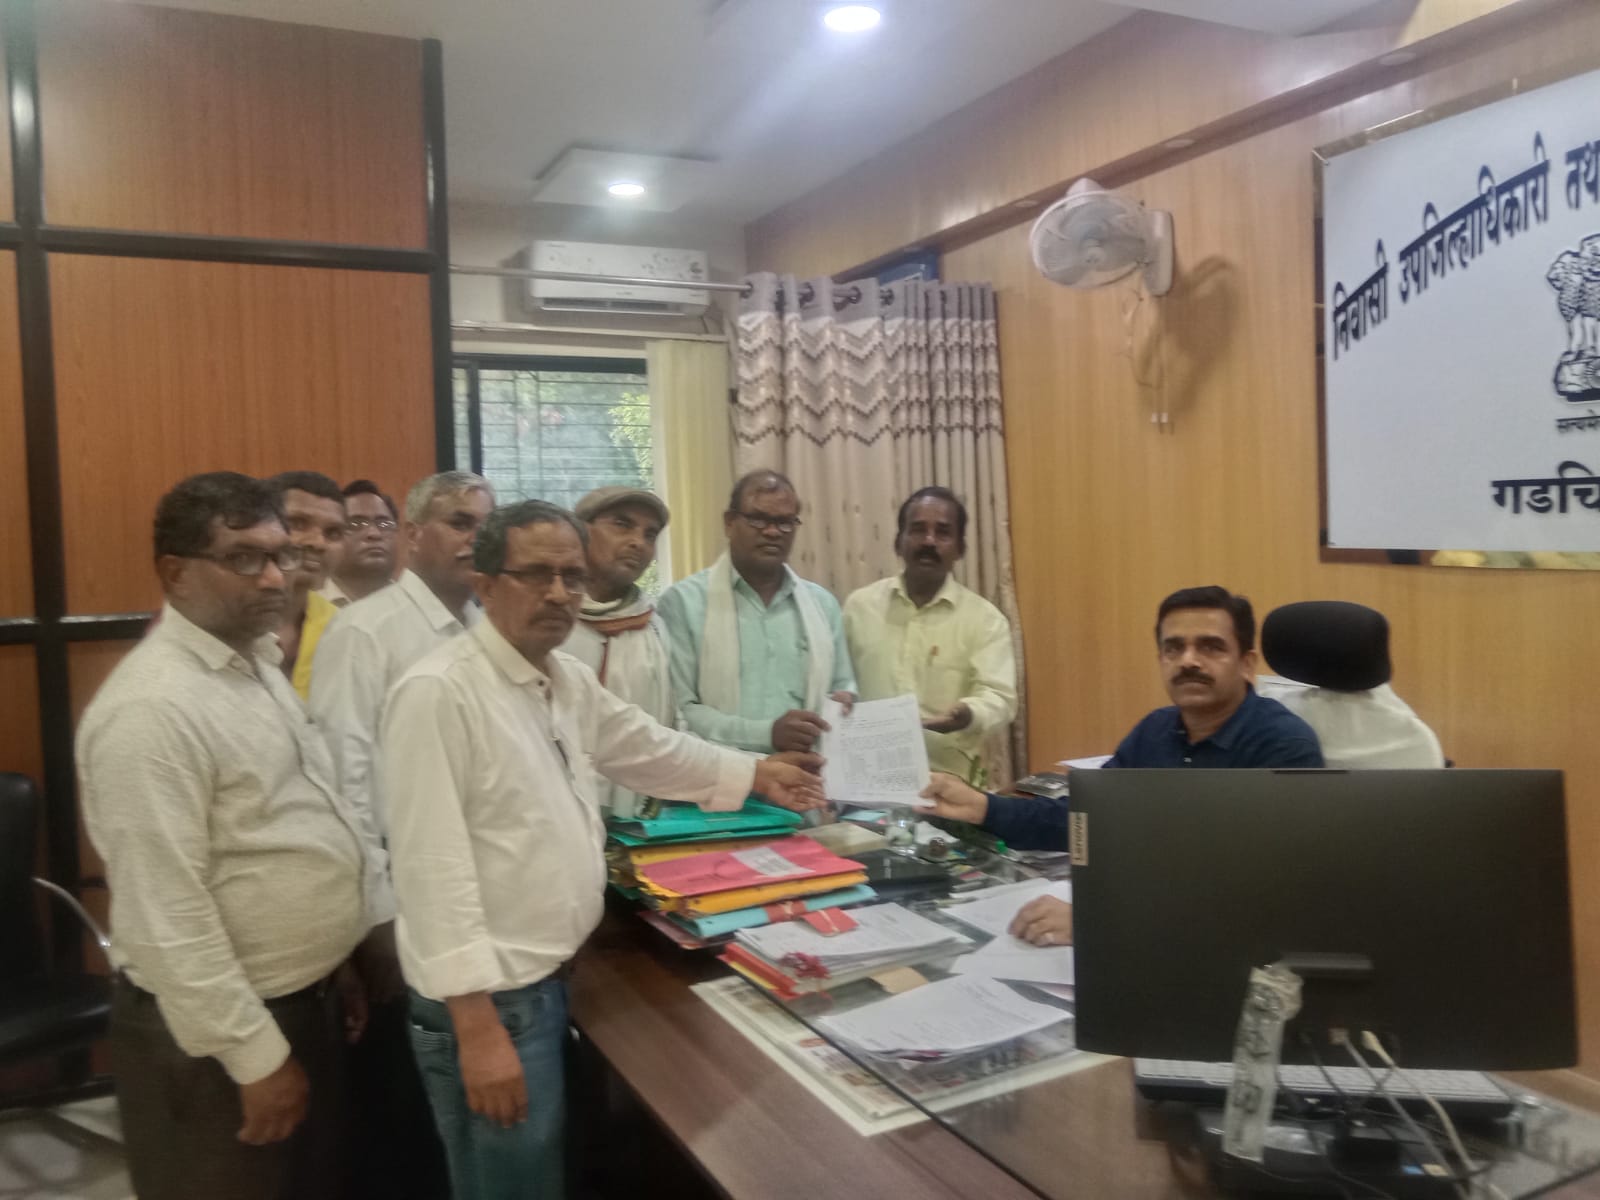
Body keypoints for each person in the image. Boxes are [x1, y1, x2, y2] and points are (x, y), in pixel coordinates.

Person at [381, 500, 826, 1199]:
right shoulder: (439, 693)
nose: (559, 593)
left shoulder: (561, 679)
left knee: (545, 1175)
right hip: (492, 1003)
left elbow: (648, 749)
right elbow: (429, 871)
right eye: (536, 574)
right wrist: (477, 1029)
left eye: (571, 575)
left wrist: (755, 773)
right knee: (510, 1187)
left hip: (548, 985)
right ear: (486, 583)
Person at [76, 472, 387, 1200]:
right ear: (175, 572)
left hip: (299, 1001)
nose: (276, 576)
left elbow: (305, 822)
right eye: (245, 558)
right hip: (216, 1036)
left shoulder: (251, 663)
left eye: (281, 554)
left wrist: (336, 958)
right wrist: (255, 1057)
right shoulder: (153, 709)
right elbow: (167, 913)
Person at [308, 469, 492, 1200]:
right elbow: (344, 783)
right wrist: (376, 917)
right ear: (414, 535)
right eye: (459, 522)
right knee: (405, 1107)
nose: (476, 537)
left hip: (478, 894)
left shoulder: (487, 626)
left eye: (485, 524)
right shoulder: (366, 631)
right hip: (403, 901)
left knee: (470, 1092)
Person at [920, 585, 1324, 870]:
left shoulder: (1284, 746)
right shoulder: (1156, 731)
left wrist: (1096, 915)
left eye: (1210, 647)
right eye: (1173, 648)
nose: (1189, 661)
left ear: (1247, 664)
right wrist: (982, 806)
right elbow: (1087, 819)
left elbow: (1250, 876)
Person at [657, 470, 855, 753]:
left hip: (810, 772)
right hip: (721, 773)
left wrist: (845, 699)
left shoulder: (823, 605)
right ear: (729, 523)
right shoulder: (682, 603)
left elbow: (843, 684)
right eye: (758, 519)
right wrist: (767, 734)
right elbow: (680, 711)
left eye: (784, 522)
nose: (772, 532)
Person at [844, 486, 1017, 786]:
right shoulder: (859, 608)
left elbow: (1000, 697)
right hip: (867, 784)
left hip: (947, 787)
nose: (929, 541)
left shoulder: (985, 621)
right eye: (918, 530)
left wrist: (968, 713)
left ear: (960, 548)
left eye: (943, 532)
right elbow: (838, 684)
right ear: (898, 543)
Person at [565, 485, 674, 818]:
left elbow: (668, 729)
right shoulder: (549, 622)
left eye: (650, 534)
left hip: (635, 822)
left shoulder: (652, 626)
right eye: (622, 525)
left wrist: (755, 767)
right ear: (580, 531)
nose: (638, 542)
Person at [265, 471, 347, 700]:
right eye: (298, 523)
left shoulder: (341, 626)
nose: (318, 543)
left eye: (333, 533)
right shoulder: (223, 619)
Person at [321, 479, 399, 606]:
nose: (374, 534)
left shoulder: (416, 606)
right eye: (355, 524)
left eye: (384, 524)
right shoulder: (306, 606)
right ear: (331, 538)